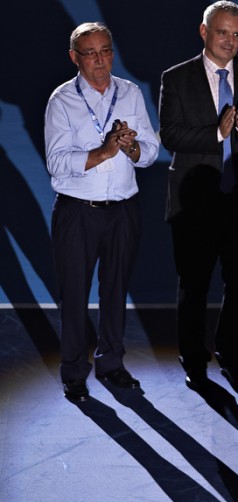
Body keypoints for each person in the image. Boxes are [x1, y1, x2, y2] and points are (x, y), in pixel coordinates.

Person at [158, 1, 238, 393]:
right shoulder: (176, 77)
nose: (230, 42)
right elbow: (171, 135)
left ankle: (232, 358)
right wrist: (218, 132)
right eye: (223, 32)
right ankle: (194, 360)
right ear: (204, 31)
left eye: (237, 34)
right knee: (194, 286)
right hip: (195, 201)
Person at [44, 22, 159, 402]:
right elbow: (57, 163)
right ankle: (74, 372)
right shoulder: (62, 101)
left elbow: (152, 150)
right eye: (90, 53)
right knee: (75, 294)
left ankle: (111, 364)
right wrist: (105, 151)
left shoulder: (129, 93)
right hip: (78, 212)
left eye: (106, 51)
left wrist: (131, 149)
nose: (100, 61)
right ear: (74, 57)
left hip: (124, 208)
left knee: (115, 291)